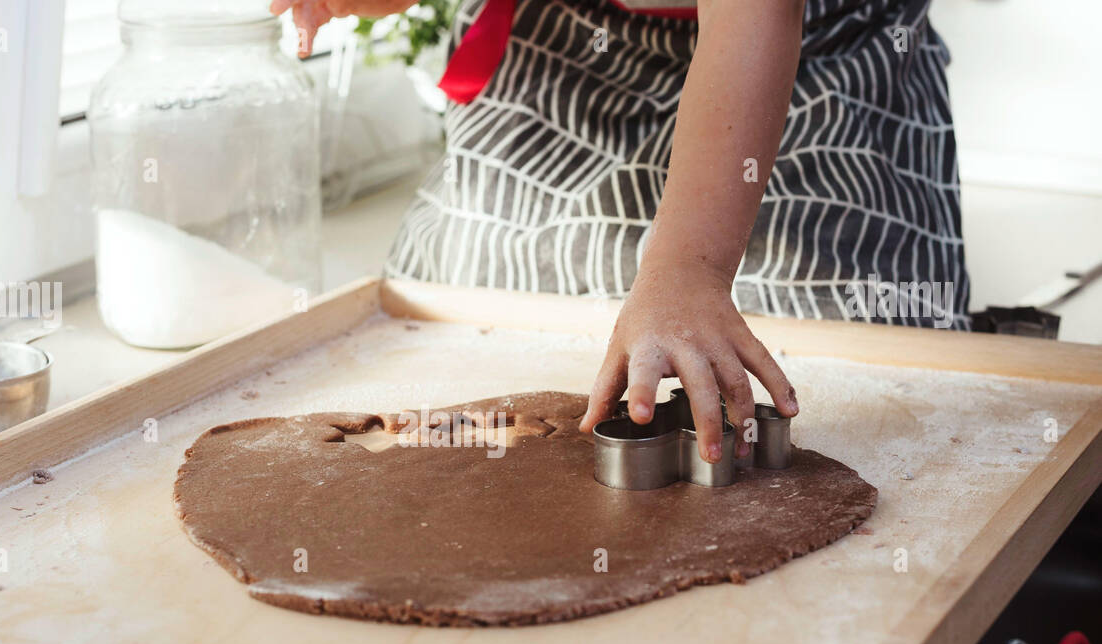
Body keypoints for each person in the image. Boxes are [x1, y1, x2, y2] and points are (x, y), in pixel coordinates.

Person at [272, 0, 969, 462]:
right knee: (469, 304)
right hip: (558, 42)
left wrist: (689, 271)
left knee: (841, 348)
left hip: (801, 57)